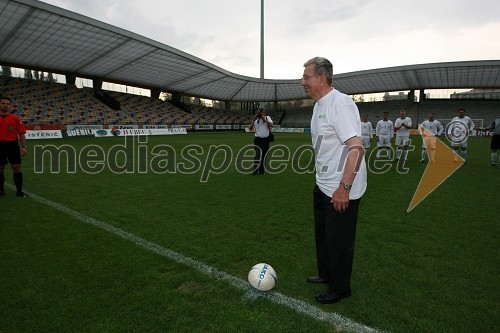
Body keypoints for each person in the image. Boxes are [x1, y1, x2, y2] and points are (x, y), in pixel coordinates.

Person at [301, 57, 367, 304]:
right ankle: (327, 274)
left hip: (342, 187)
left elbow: (357, 148)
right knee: (324, 235)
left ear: (321, 78)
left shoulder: (340, 104)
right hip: (324, 183)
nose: (302, 82)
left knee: (339, 241)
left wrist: (344, 188)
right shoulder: (319, 104)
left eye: (306, 77)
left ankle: (340, 288)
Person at [0, 96, 28, 197]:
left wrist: (24, 146)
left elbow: (21, 133)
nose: (5, 106)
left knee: (17, 168)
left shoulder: (15, 118)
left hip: (13, 145)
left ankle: (19, 191)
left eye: (7, 104)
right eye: (3, 103)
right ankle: (1, 190)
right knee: (0, 168)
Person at [248, 107, 273, 175]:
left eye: (262, 112)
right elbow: (250, 128)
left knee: (264, 156)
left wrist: (264, 119)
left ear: (264, 112)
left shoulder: (267, 117)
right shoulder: (255, 120)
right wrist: (253, 120)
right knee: (257, 155)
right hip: (257, 139)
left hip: (266, 139)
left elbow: (271, 125)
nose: (261, 114)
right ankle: (255, 170)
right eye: (259, 112)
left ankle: (261, 171)